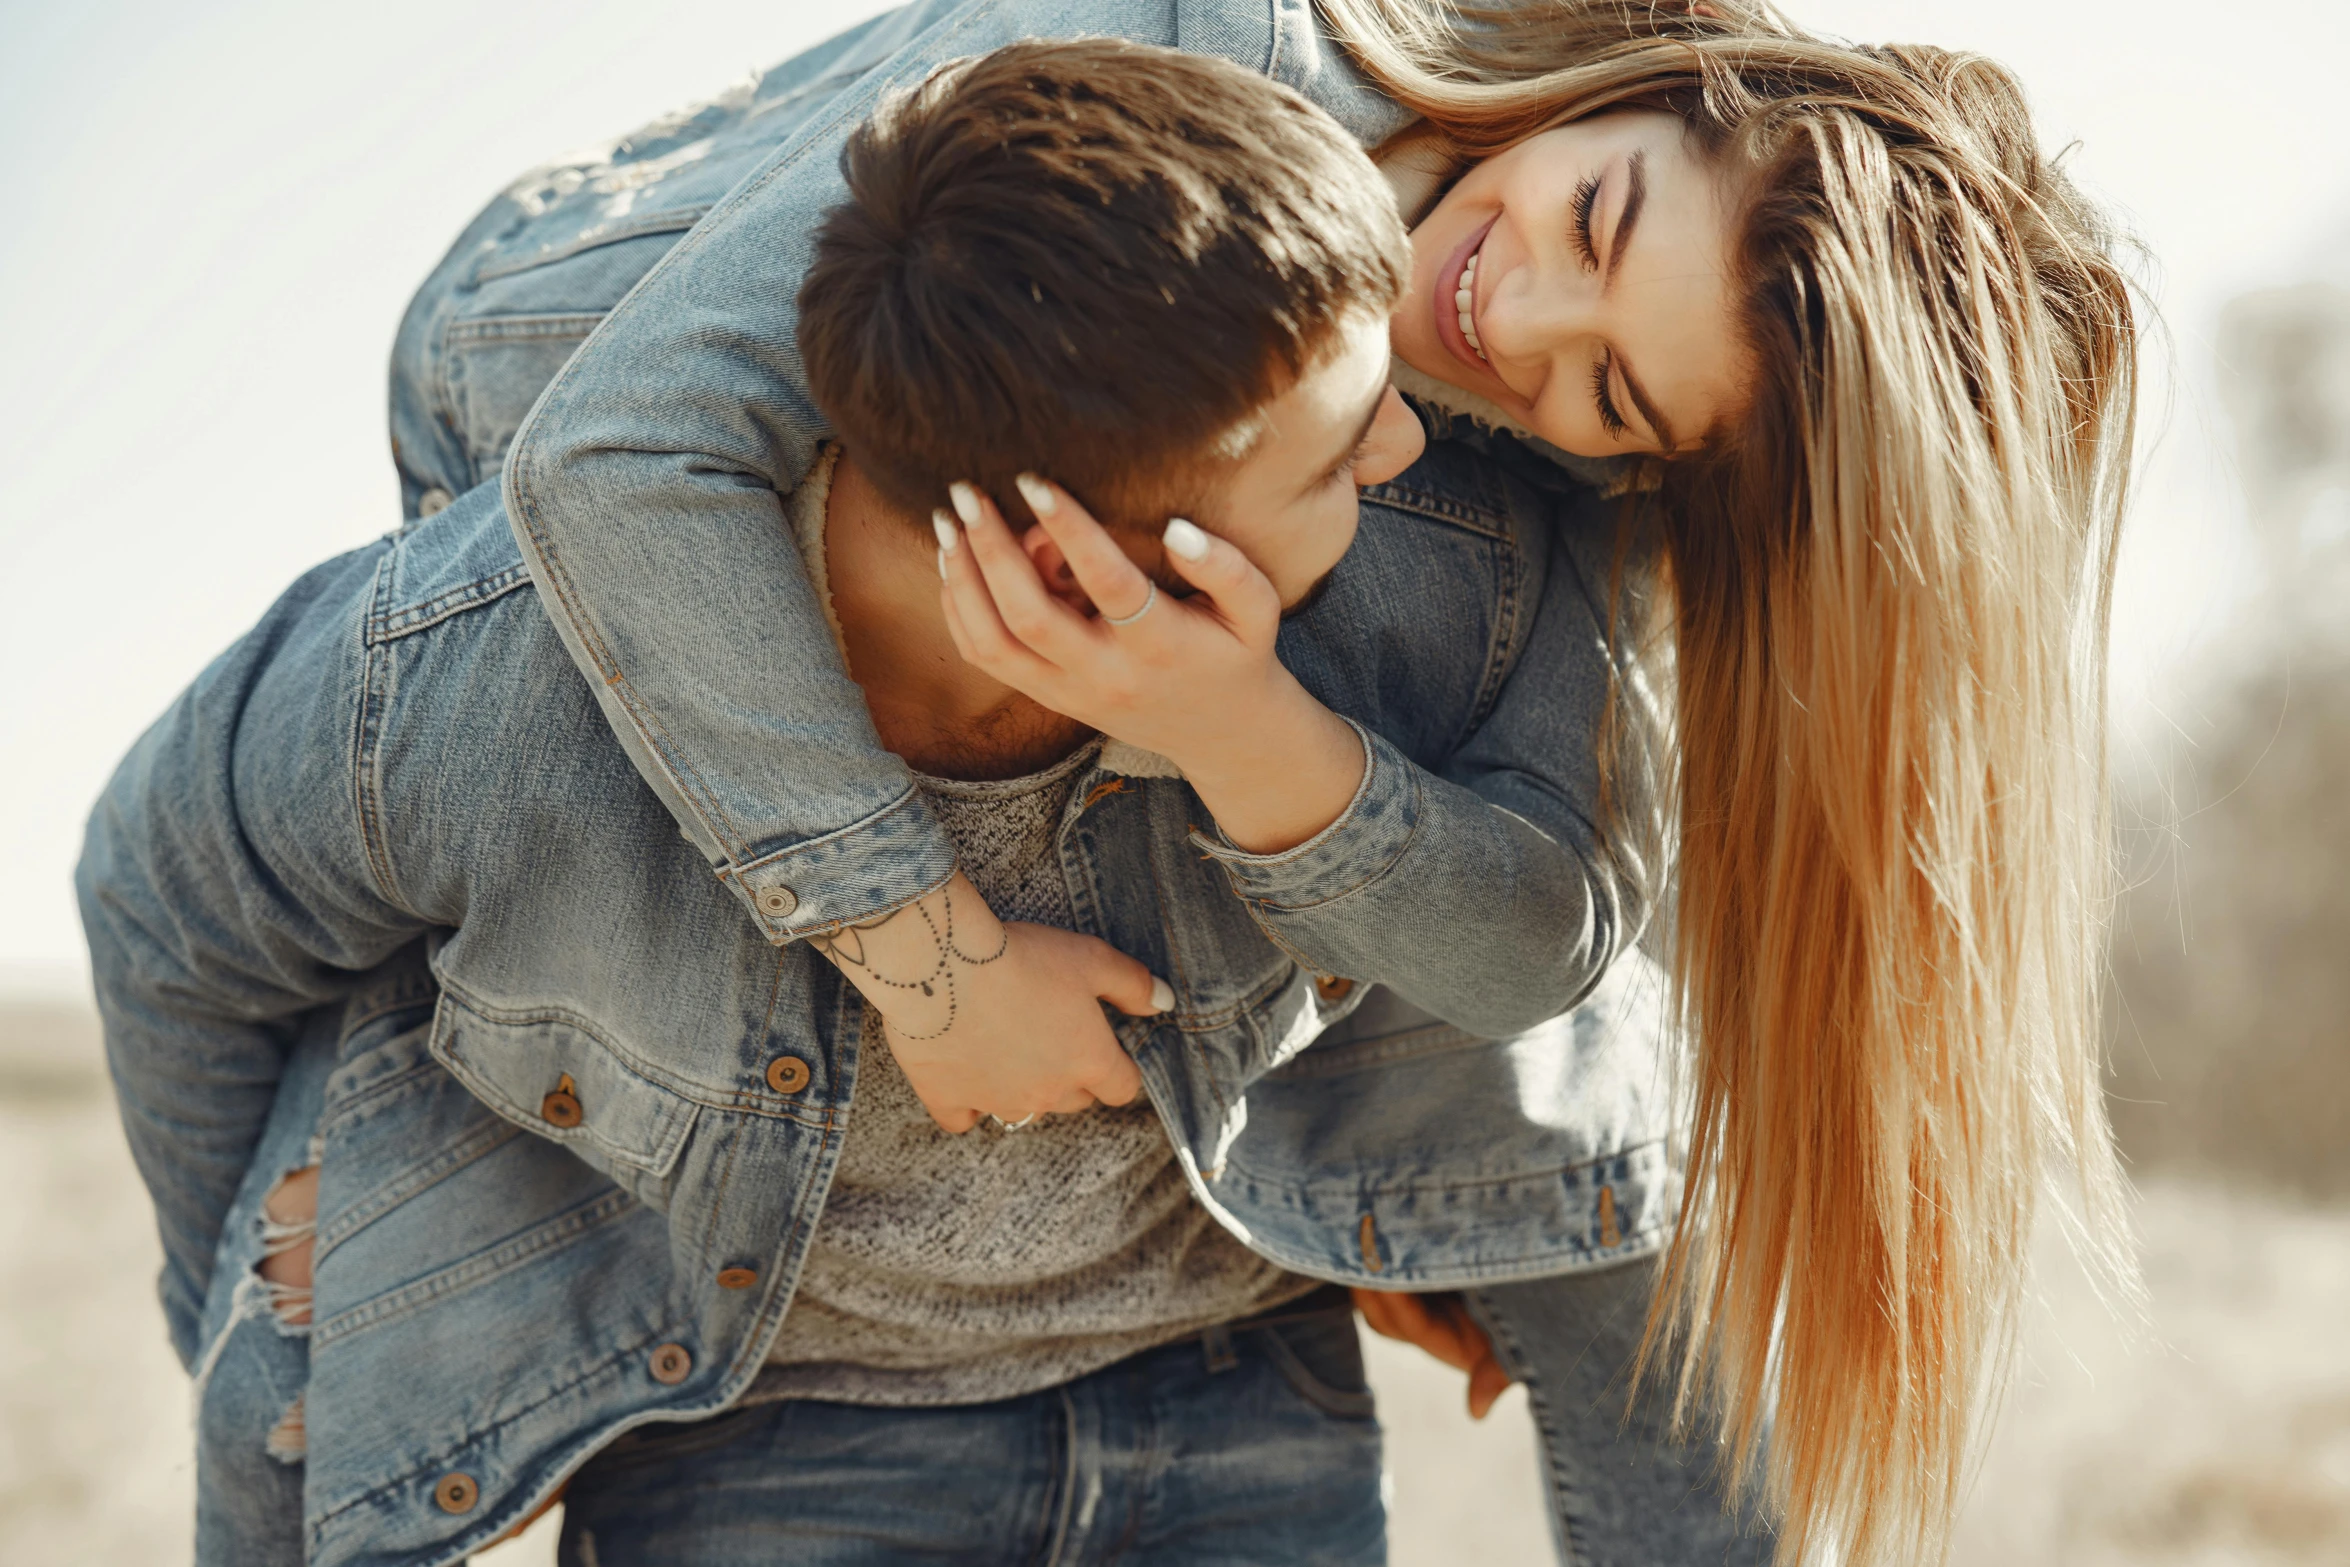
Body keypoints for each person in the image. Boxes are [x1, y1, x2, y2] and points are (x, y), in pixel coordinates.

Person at [409, 1, 2140, 1562]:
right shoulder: (1186, 55)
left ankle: (1476, 1222)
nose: (1508, 316)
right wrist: (920, 949)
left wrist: (1237, 725)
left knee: (1611, 1055)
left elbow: (1548, 923)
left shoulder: (1540, 472)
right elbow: (617, 450)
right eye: (1594, 219)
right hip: (525, 411)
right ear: (1645, 77)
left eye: (1608, 391)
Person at [83, 40, 1741, 1567]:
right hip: (771, 1443)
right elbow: (163, 908)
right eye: (1328, 460)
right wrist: (252, 1303)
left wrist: (1235, 724)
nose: (1407, 453)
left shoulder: (1425, 565)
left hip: (1238, 1393)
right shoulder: (494, 670)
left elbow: (1552, 950)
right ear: (1063, 563)